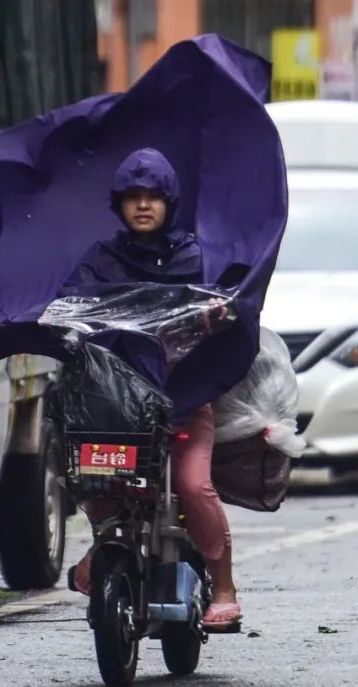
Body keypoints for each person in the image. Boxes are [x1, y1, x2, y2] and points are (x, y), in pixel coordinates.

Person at [63, 146, 241, 631]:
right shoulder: (100, 260)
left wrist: (216, 313)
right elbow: (68, 304)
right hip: (116, 409)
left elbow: (221, 303)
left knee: (191, 486)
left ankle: (224, 587)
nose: (143, 205)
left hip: (183, 403)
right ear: (119, 204)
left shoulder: (195, 257)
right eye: (133, 196)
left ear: (170, 203)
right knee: (94, 479)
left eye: (154, 196)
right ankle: (103, 545)